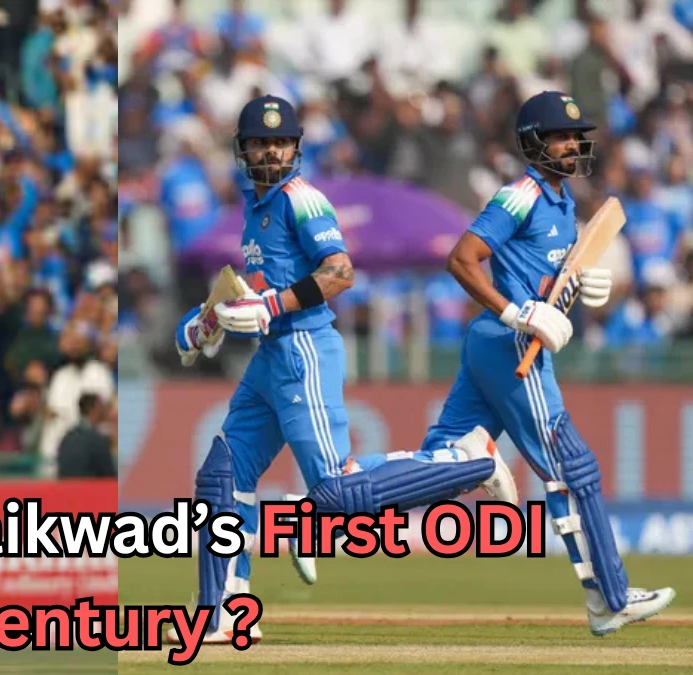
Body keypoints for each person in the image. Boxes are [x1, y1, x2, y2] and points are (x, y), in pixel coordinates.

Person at [169, 95, 517, 643]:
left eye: (280, 143)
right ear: (242, 150)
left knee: (335, 492)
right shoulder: (254, 207)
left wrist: (271, 305)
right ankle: (223, 611)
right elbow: (255, 289)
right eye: (260, 143)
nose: (271, 153)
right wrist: (207, 320)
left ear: (296, 149)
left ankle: (467, 459)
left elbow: (339, 271)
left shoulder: (303, 200)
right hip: (271, 355)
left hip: (303, 348)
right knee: (222, 474)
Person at [419, 90, 675, 636]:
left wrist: (583, 284)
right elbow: (462, 259)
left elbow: (546, 282)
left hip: (498, 340)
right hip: (511, 343)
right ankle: (609, 598)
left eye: (576, 137)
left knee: (441, 462)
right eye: (560, 136)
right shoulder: (520, 195)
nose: (573, 145)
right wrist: (516, 312)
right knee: (572, 467)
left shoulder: (562, 203)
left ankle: (323, 508)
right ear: (532, 142)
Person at [56, 393, 115, 478]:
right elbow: (110, 477)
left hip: (66, 485)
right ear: (95, 409)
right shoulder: (97, 441)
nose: (104, 410)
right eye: (102, 406)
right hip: (90, 485)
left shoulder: (67, 437)